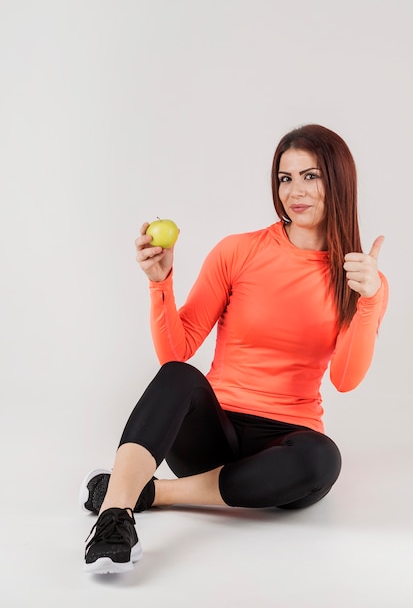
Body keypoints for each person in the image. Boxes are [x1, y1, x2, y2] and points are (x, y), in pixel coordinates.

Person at [81, 123, 388, 574]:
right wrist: (160, 283)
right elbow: (177, 351)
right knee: (178, 378)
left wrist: (370, 300)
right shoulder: (238, 252)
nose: (295, 191)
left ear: (339, 181)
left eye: (311, 176)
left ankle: (156, 491)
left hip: (283, 448)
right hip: (212, 433)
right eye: (285, 178)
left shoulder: (361, 278)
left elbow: (344, 380)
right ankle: (115, 515)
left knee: (324, 458)